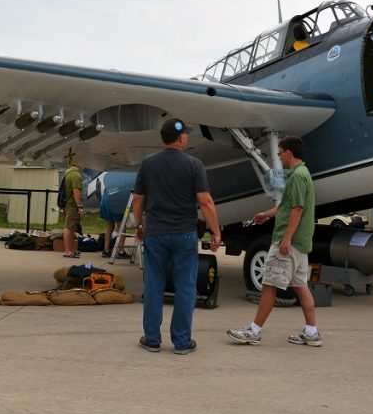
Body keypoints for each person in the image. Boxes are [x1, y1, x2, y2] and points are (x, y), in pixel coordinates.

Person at [132, 118, 221, 355]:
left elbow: (138, 199)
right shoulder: (194, 165)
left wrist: (138, 225)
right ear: (181, 137)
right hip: (184, 234)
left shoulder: (148, 164)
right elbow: (205, 201)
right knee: (185, 287)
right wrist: (216, 231)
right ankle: (181, 342)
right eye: (187, 135)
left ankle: (152, 339)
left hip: (156, 233)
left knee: (153, 285)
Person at [227, 136, 322, 347]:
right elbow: (287, 206)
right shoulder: (302, 174)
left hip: (288, 243)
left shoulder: (297, 177)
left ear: (289, 153)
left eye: (280, 154)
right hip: (302, 244)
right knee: (300, 286)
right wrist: (266, 214)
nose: (279, 157)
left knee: (269, 285)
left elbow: (297, 209)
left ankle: (254, 331)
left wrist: (286, 239)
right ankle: (311, 331)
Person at [61, 155, 84, 258]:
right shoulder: (76, 175)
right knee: (69, 227)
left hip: (67, 203)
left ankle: (70, 249)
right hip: (72, 204)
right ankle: (68, 251)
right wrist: (79, 206)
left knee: (70, 227)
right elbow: (76, 191)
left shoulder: (68, 172)